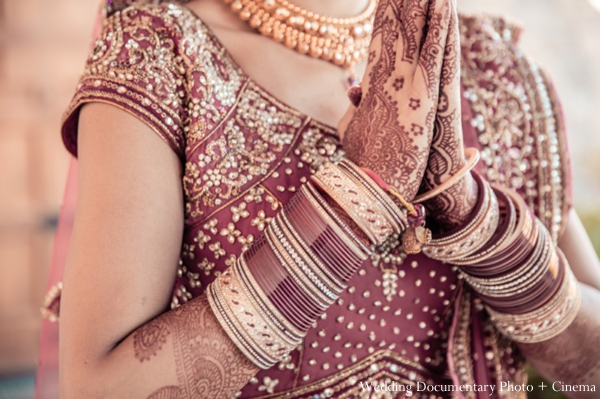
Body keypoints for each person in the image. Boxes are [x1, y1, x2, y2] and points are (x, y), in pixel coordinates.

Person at [36, 0, 600, 398]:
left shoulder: (489, 70)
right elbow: (99, 388)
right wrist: (359, 196)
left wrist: (473, 216)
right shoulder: (161, 55)